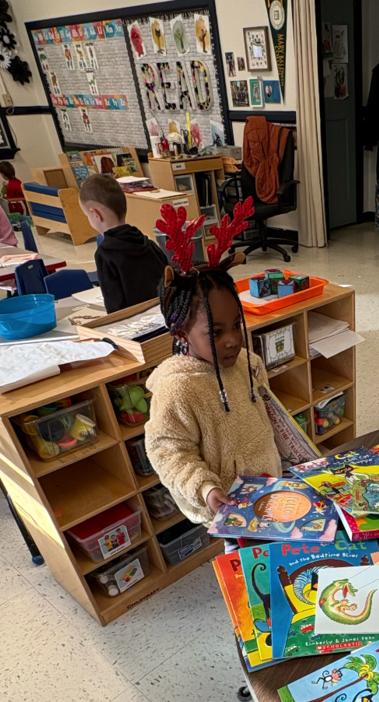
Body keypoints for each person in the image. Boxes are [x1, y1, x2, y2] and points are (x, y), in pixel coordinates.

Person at [144, 199, 281, 548]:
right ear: (180, 332)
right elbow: (168, 451)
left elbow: (268, 417)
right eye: (216, 332)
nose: (234, 340)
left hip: (272, 489)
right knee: (250, 573)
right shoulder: (177, 390)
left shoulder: (250, 363)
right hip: (230, 508)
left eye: (237, 325)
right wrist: (205, 489)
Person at [79, 173, 168, 313]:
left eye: (86, 216)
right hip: (165, 319)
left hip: (135, 328)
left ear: (95, 214)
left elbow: (114, 307)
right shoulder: (150, 244)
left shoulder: (105, 254)